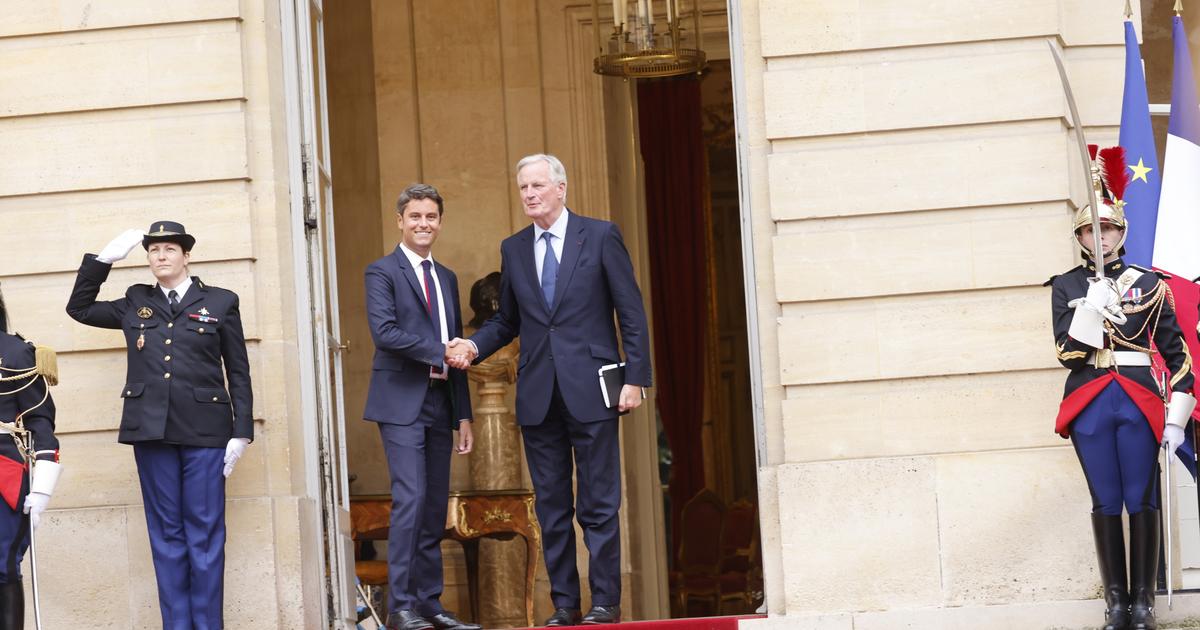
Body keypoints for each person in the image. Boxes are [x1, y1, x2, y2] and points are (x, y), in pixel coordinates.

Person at [449, 154, 652, 626]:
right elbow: (507, 321)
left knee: (599, 505)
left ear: (561, 188)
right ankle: (565, 605)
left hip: (594, 391)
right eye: (523, 187)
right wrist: (473, 345)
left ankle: (604, 604)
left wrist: (637, 378)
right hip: (539, 395)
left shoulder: (600, 235)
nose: (530, 194)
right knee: (554, 507)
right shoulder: (514, 248)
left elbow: (631, 312)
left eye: (538, 184)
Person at [65, 222, 253, 630]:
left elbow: (238, 369)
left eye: (170, 249)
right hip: (151, 430)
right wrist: (102, 261)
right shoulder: (136, 300)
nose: (161, 256)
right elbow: (79, 309)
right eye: (153, 250)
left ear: (187, 256)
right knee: (166, 536)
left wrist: (242, 430)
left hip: (206, 431)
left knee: (204, 536)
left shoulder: (220, 301)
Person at [1049, 146, 1195, 630]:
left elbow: (1178, 361)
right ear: (1081, 237)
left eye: (1107, 229)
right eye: (1091, 230)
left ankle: (1143, 603)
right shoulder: (1067, 286)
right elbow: (1067, 354)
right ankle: (1115, 603)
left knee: (1141, 498)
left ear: (1121, 232)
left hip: (1138, 398)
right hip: (1090, 397)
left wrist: (1175, 421)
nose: (1100, 237)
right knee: (1106, 499)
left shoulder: (1151, 285)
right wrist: (1089, 310)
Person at [363, 184, 479, 630]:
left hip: (439, 400)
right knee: (410, 499)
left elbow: (457, 351)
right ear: (400, 221)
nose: (424, 224)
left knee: (433, 505)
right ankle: (402, 607)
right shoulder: (382, 272)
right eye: (415, 217)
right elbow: (385, 333)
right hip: (399, 402)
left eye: (431, 216)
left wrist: (462, 414)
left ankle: (429, 603)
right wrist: (441, 351)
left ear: (440, 222)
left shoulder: (447, 277)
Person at [0, 285, 62, 630]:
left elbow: (40, 419)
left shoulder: (16, 352)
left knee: (3, 563)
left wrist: (42, 486)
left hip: (3, 469)